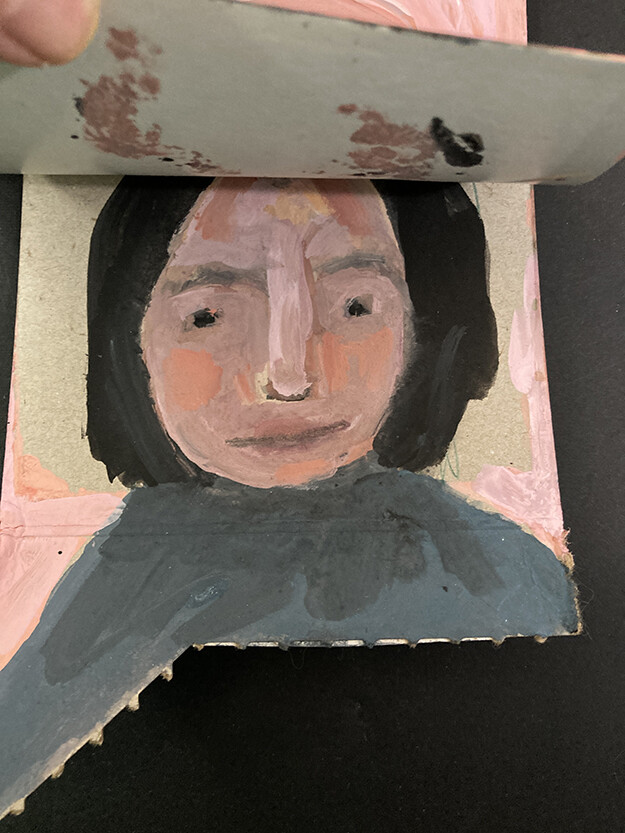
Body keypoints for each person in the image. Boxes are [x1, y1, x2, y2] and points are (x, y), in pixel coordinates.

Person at [0, 177, 578, 815]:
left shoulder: (501, 570)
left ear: (425, 323)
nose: (290, 376)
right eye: (208, 316)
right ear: (129, 337)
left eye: (354, 307)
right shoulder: (117, 568)